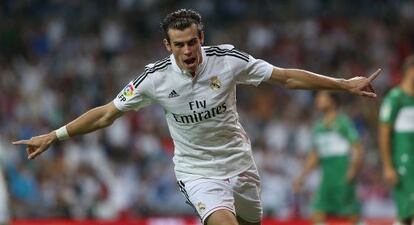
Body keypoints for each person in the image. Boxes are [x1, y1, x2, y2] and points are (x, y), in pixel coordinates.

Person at [13, 9, 381, 225]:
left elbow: (285, 77)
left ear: (201, 37)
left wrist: (344, 84)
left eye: (193, 41)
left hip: (240, 163)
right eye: (180, 44)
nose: (189, 50)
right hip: (197, 172)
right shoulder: (154, 79)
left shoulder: (229, 61)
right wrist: (55, 135)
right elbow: (107, 113)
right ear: (167, 47)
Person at [293, 91, 363, 225]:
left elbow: (358, 148)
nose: (317, 101)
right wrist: (302, 177)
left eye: (321, 97)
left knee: (351, 216)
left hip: (343, 176)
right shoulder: (318, 126)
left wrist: (353, 170)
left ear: (332, 101)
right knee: (317, 214)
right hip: (326, 180)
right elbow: (315, 155)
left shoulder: (343, 122)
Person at [379, 55, 414, 225]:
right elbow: (384, 132)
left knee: (406, 216)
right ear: (410, 71)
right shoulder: (395, 98)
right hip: (404, 162)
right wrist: (387, 166)